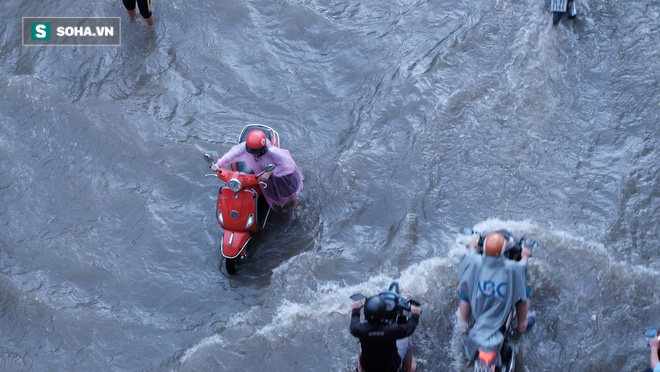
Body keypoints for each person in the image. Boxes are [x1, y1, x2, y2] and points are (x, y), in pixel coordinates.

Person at [457, 231, 533, 367]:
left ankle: (462, 322)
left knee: (467, 287)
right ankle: (521, 324)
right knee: (524, 292)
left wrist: (472, 246)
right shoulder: (511, 267)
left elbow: (467, 258)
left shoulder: (475, 261)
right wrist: (525, 256)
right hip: (499, 313)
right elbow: (522, 268)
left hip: (479, 310)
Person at [213, 130, 303, 218]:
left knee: (289, 193)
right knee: (272, 193)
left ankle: (293, 205)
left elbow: (288, 165)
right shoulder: (246, 148)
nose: (254, 155)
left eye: (256, 153)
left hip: (282, 176)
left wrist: (270, 171)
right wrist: (218, 164)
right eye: (252, 153)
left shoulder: (273, 153)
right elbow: (231, 155)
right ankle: (279, 208)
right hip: (264, 176)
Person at [350, 296, 421, 372]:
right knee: (406, 340)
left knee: (360, 343)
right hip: (391, 368)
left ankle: (361, 369)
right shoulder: (393, 329)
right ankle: (409, 369)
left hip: (368, 367)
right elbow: (409, 328)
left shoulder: (360, 330)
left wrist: (356, 310)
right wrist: (415, 315)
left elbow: (354, 324)